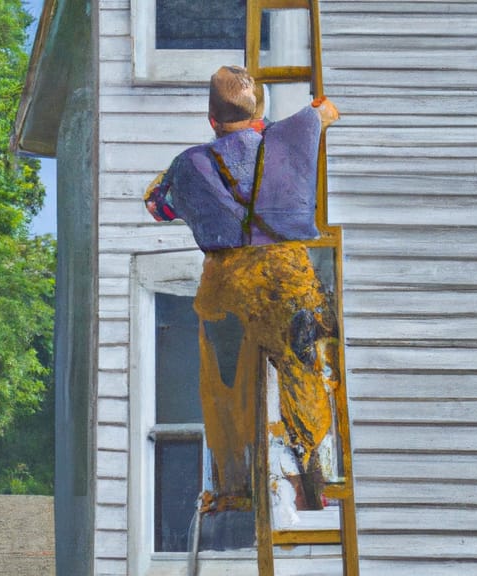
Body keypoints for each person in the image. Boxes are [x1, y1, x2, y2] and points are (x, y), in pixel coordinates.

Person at [145, 66, 340, 524]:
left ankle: (235, 491)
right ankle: (317, 481)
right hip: (285, 278)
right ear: (257, 111)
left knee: (225, 387)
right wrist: (278, 124)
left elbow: (158, 205)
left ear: (211, 118)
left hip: (226, 283)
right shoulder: (293, 136)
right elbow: (325, 110)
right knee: (306, 372)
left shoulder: (190, 163)